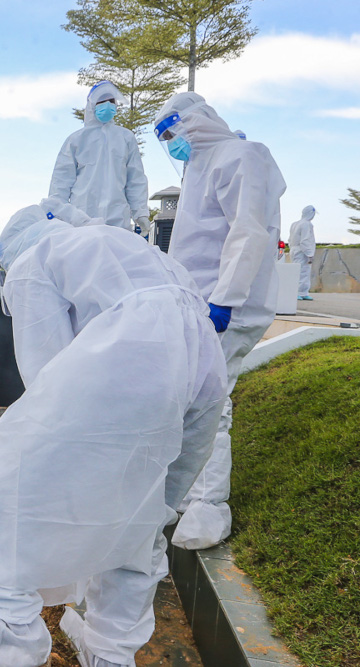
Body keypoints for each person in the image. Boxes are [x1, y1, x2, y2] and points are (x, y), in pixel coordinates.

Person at [0, 199, 227, 667]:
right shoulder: (129, 247)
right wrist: (164, 498)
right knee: (140, 513)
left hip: (129, 360)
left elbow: (44, 373)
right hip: (200, 361)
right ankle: (110, 654)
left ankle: (10, 629)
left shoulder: (34, 260)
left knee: (12, 469)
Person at [153, 92, 286, 550]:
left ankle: (211, 505)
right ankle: (191, 495)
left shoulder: (242, 155)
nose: (171, 143)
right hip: (199, 304)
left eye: (172, 131)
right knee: (194, 399)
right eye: (163, 138)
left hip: (227, 305)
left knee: (214, 401)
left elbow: (247, 231)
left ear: (195, 119)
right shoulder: (200, 168)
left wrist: (225, 300)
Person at [49, 81, 150, 232]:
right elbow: (61, 181)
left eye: (111, 101)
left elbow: (135, 179)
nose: (108, 105)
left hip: (117, 220)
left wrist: (140, 212)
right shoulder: (76, 140)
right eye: (102, 101)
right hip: (82, 218)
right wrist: (56, 212)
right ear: (91, 105)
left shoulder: (126, 138)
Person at [289, 206, 317, 301]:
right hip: (302, 251)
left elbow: (290, 239)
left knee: (298, 271)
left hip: (294, 249)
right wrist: (309, 254)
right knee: (303, 272)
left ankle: (303, 292)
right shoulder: (307, 224)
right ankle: (298, 292)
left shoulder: (295, 224)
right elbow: (305, 240)